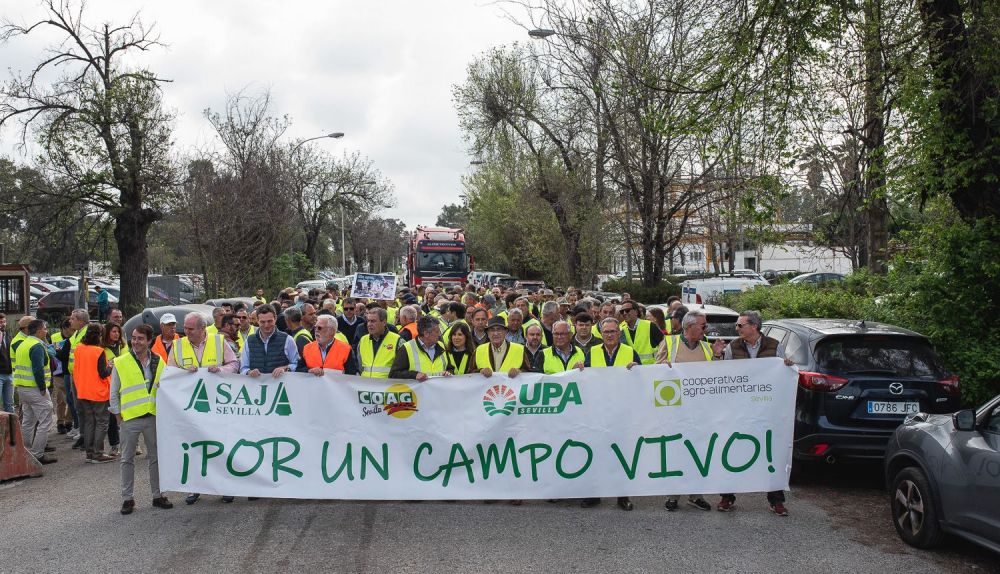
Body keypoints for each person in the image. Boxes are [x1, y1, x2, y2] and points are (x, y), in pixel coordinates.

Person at [717, 310, 794, 517]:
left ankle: (776, 500)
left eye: (740, 325)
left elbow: (782, 373)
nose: (737, 329)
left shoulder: (774, 345)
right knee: (733, 451)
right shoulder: (733, 347)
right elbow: (724, 375)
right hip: (740, 409)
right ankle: (727, 496)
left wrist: (787, 366)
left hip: (766, 409)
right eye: (737, 326)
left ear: (754, 327)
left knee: (771, 452)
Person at [656, 308, 726, 512]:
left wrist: (718, 356)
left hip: (700, 411)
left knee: (697, 451)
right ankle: (673, 495)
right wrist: (663, 367)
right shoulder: (670, 343)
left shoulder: (706, 347)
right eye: (703, 325)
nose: (706, 329)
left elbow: (715, 376)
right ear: (689, 327)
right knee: (676, 451)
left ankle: (696, 495)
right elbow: (654, 372)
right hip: (675, 410)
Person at [110, 324, 172, 515]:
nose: (135, 342)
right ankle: (127, 498)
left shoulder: (158, 360)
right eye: (134, 338)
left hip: (152, 417)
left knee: (155, 458)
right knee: (126, 459)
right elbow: (113, 393)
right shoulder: (121, 362)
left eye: (140, 339)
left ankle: (158, 495)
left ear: (149, 341)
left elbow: (165, 386)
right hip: (129, 419)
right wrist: (119, 417)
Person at [12, 319, 57, 464]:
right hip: (35, 388)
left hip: (22, 388)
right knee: (45, 420)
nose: (46, 331)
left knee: (28, 421)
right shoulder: (36, 346)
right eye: (44, 328)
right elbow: (37, 369)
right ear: (38, 330)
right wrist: (43, 388)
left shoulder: (23, 344)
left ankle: (25, 452)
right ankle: (37, 454)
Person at [75, 324, 116, 463]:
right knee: (102, 423)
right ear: (99, 335)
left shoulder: (79, 348)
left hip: (83, 390)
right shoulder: (98, 351)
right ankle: (98, 453)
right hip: (98, 392)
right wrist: (110, 366)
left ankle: (90, 453)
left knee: (89, 422)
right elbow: (103, 374)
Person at [240, 304, 297, 378]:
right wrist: (249, 372)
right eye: (262, 322)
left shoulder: (287, 339)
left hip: (281, 387)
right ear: (257, 320)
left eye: (270, 321)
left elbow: (296, 364)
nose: (266, 325)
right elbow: (243, 368)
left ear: (275, 318)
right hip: (257, 387)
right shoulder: (249, 341)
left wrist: (285, 368)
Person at [389, 316, 453, 380]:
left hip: (438, 389)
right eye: (437, 331)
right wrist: (414, 375)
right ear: (426, 334)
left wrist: (448, 373)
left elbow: (450, 368)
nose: (440, 334)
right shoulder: (407, 348)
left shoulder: (441, 346)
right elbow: (394, 374)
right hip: (417, 390)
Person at [173, 313, 239, 373]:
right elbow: (170, 372)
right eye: (185, 328)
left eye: (191, 329)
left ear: (203, 328)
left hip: (214, 385)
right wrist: (185, 372)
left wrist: (220, 370)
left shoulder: (219, 340)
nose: (186, 332)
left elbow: (234, 364)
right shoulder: (177, 345)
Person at [102, 323, 126, 456]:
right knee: (112, 418)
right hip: (111, 385)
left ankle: (134, 445)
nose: (116, 334)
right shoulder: (102, 349)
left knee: (128, 416)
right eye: (113, 331)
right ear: (107, 333)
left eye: (118, 331)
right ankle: (114, 445)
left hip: (127, 383)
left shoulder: (124, 346)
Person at [357, 307, 401, 378]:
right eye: (368, 321)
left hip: (386, 387)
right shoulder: (363, 340)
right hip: (366, 385)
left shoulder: (397, 340)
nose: (369, 324)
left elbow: (402, 369)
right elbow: (360, 366)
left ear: (384, 322)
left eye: (373, 321)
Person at [619, 300, 663, 365]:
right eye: (622, 311)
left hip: (650, 369)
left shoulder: (650, 325)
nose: (624, 313)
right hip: (631, 369)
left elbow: (664, 345)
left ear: (636, 312)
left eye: (627, 310)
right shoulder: (620, 329)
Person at [0, 313, 13, 413]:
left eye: (4, 322)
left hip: (9, 374)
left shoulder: (8, 334)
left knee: (9, 404)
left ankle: (11, 428)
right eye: (0, 322)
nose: (3, 324)